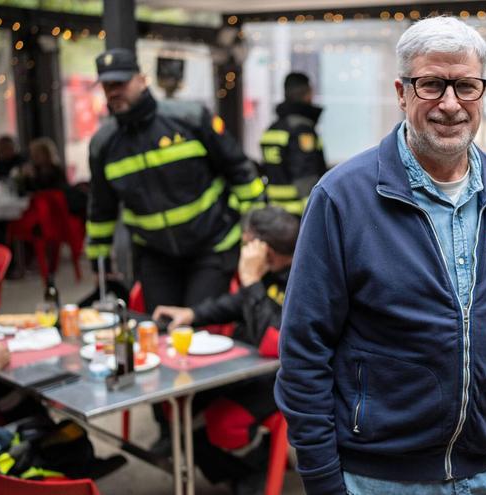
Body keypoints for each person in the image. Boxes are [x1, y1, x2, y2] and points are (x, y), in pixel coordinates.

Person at [275, 17, 486, 495]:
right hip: (380, 478)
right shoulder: (342, 198)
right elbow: (303, 350)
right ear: (402, 92)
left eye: (465, 86)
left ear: (481, 92)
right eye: (432, 85)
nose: (451, 104)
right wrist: (321, 478)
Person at [86, 47, 265, 314]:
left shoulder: (190, 118)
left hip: (212, 245)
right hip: (155, 255)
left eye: (120, 82)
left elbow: (239, 170)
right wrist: (99, 262)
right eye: (107, 85)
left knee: (198, 329)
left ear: (141, 79)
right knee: (161, 332)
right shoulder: (103, 144)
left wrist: (256, 230)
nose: (114, 91)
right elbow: (101, 208)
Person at [152, 207, 298, 495]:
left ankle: (256, 468)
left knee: (223, 423)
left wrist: (252, 280)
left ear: (263, 248)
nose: (243, 247)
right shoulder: (270, 270)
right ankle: (251, 461)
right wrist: (191, 314)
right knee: (186, 412)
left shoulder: (300, 276)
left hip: (285, 377)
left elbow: (274, 341)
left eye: (247, 242)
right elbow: (236, 304)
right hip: (253, 368)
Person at [259, 72, 327, 215]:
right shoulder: (301, 130)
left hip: (274, 213)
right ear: (307, 94)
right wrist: (316, 213)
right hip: (297, 214)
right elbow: (305, 175)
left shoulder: (273, 129)